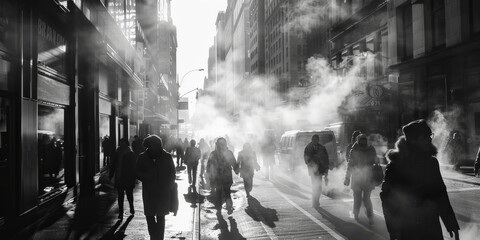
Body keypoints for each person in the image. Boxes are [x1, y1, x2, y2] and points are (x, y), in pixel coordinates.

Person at [380, 120, 460, 240]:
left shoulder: (432, 162)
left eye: (430, 135)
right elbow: (387, 198)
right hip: (408, 229)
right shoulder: (396, 164)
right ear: (413, 140)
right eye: (425, 137)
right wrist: (394, 230)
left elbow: (440, 194)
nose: (429, 139)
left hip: (432, 228)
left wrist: (451, 224)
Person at [136, 135, 176, 240]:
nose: (152, 147)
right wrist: (146, 177)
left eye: (155, 144)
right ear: (147, 145)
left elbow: (172, 173)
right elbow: (136, 172)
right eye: (150, 145)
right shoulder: (142, 157)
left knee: (161, 216)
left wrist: (168, 185)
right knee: (149, 216)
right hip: (149, 192)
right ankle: (153, 236)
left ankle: (159, 238)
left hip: (163, 192)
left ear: (159, 145)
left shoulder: (167, 156)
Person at [344, 134, 377, 225]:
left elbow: (376, 162)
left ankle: (370, 216)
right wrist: (347, 178)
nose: (363, 141)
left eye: (364, 140)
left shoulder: (371, 149)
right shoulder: (354, 149)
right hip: (357, 177)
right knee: (357, 198)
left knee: (366, 198)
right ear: (358, 140)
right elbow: (350, 164)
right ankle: (356, 214)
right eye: (361, 140)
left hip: (367, 176)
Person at [207, 137, 237, 214]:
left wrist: (209, 174)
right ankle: (229, 205)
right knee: (227, 191)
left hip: (218, 177)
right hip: (226, 176)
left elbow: (209, 164)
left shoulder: (213, 153)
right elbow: (233, 162)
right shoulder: (229, 153)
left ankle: (219, 208)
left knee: (219, 192)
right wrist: (236, 169)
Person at [110, 138, 137, 219]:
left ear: (126, 143)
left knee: (129, 195)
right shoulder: (117, 153)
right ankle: (121, 212)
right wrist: (111, 175)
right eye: (120, 142)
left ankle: (131, 207)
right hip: (119, 177)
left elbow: (134, 167)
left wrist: (134, 177)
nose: (121, 144)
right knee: (120, 196)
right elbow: (114, 165)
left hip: (128, 177)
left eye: (123, 142)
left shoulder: (131, 154)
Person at [304, 134, 329, 208]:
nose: (315, 141)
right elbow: (306, 159)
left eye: (316, 139)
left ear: (318, 140)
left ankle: (317, 200)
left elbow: (326, 159)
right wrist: (312, 164)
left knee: (319, 187)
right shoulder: (308, 148)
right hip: (313, 170)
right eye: (314, 139)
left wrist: (326, 169)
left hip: (320, 170)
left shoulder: (322, 148)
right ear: (312, 140)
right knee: (315, 186)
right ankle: (314, 202)